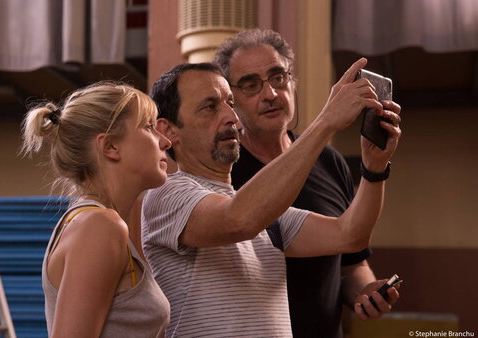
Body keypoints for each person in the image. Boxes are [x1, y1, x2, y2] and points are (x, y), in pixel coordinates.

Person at [142, 61, 401, 337]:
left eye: (230, 103)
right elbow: (238, 220)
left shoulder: (262, 212)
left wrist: (374, 168)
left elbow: (349, 235)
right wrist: (326, 122)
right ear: (168, 130)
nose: (232, 117)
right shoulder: (165, 195)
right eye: (210, 107)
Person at [214, 28, 400, 337]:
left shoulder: (330, 162)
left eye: (278, 78)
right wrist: (327, 121)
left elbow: (352, 262)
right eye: (250, 85)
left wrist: (365, 292)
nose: (271, 94)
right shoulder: (223, 171)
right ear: (231, 102)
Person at [21, 82, 171, 337]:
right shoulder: (99, 226)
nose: (165, 141)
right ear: (110, 146)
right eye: (148, 127)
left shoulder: (101, 223)